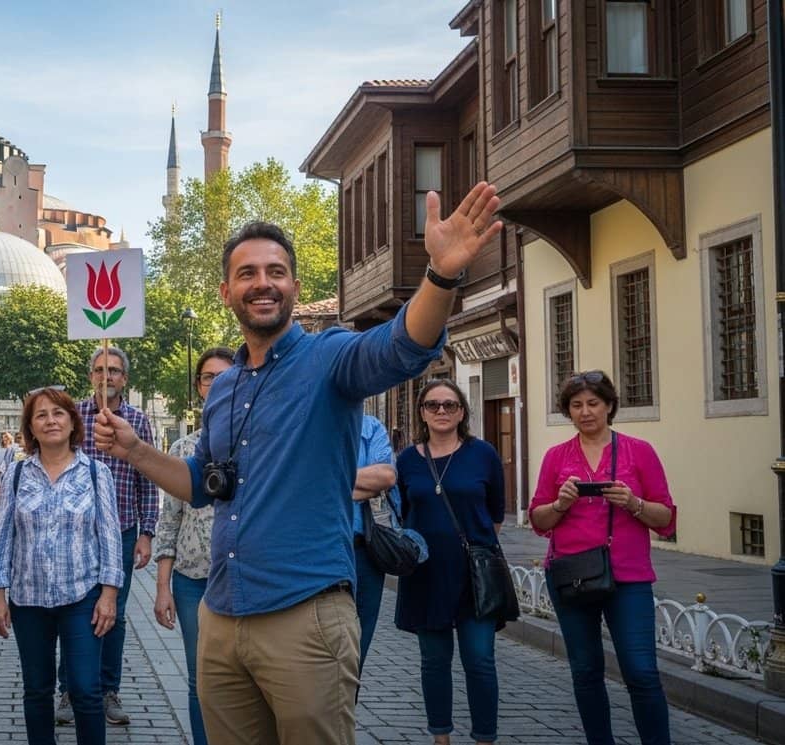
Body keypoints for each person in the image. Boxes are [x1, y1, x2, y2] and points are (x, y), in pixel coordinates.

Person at [90, 181, 503, 744]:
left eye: (275, 271)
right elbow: (199, 485)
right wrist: (134, 450)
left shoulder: (330, 358)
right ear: (226, 292)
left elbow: (401, 345)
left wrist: (441, 275)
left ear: (294, 286)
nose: (263, 282)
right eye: (248, 273)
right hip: (222, 612)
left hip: (304, 617)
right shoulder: (225, 387)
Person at [529, 370, 676, 745]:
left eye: (593, 403)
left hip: (628, 577)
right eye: (576, 405)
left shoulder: (638, 451)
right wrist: (560, 504)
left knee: (641, 672)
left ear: (610, 406)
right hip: (571, 575)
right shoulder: (556, 456)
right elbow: (538, 519)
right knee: (586, 671)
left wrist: (634, 502)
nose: (585, 412)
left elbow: (666, 518)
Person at [0, 386, 124, 745]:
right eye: (41, 415)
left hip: (82, 597)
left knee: (85, 689)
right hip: (28, 599)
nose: (51, 421)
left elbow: (110, 538)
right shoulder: (16, 474)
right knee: (36, 689)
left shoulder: (96, 473)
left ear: (72, 421)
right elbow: (1, 537)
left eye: (58, 413)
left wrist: (109, 595)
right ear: (30, 427)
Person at [394, 380, 505, 745]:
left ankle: (485, 738)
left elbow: (495, 513)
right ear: (422, 413)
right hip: (426, 574)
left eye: (450, 405)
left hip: (474, 576)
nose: (441, 411)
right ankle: (440, 737)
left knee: (480, 660)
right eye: (432, 405)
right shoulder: (408, 459)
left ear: (462, 412)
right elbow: (405, 513)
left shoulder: (483, 454)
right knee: (434, 662)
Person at [56, 346, 158, 727]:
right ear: (90, 376)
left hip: (122, 530)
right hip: (75, 532)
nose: (106, 376)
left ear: (124, 378)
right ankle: (69, 690)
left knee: (112, 614)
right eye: (99, 369)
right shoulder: (74, 416)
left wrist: (147, 533)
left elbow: (147, 480)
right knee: (73, 612)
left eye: (114, 370)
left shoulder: (138, 421)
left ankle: (107, 690)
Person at [152, 346, 234, 745]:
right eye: (208, 378)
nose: (216, 384)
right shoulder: (183, 450)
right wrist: (162, 586)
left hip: (244, 579)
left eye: (225, 376)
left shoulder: (257, 443)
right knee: (200, 678)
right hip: (192, 580)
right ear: (198, 387)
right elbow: (169, 521)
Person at [351, 413, 400, 670]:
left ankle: (348, 705)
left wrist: (324, 485)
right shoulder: (301, 420)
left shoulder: (369, 427)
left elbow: (385, 477)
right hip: (315, 552)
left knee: (359, 644)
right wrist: (361, 484)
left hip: (364, 552)